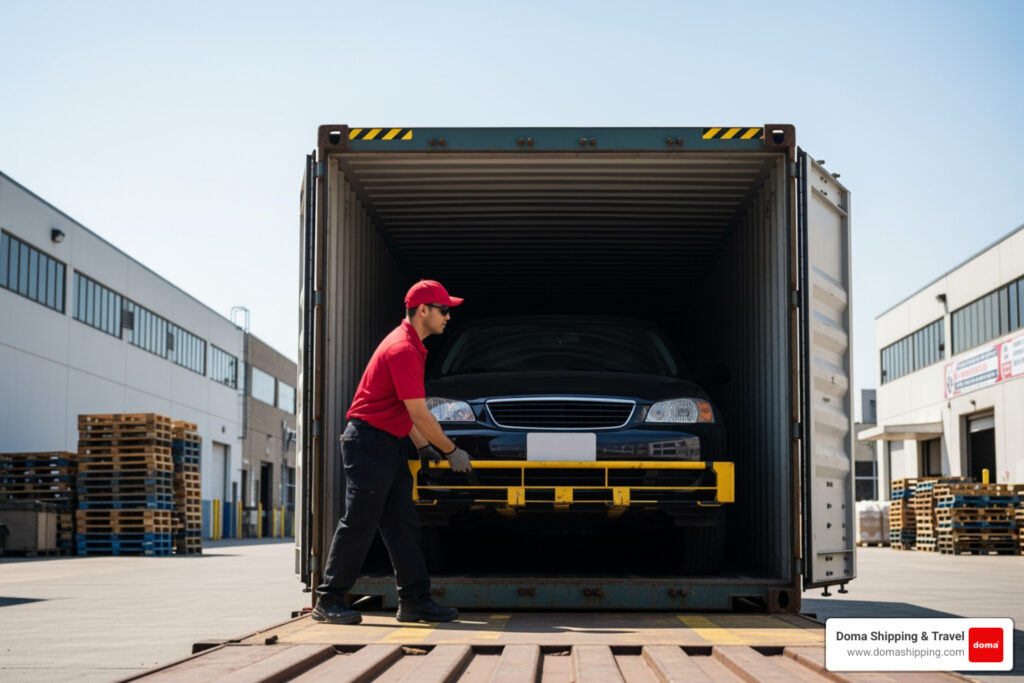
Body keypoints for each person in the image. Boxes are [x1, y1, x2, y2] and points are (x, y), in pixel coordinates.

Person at [312, 280, 473, 625]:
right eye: (444, 310)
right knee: (359, 521)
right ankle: (328, 599)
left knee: (402, 524)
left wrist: (424, 447)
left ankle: (415, 602)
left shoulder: (412, 346)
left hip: (387, 443)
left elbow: (404, 409)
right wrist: (450, 450)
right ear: (423, 310)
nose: (448, 316)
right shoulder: (402, 348)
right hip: (369, 443)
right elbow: (419, 412)